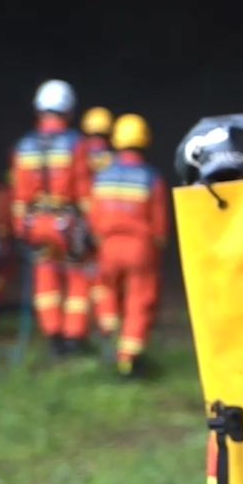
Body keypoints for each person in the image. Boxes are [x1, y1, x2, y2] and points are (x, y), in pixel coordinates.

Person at [12, 79, 96, 354]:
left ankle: (53, 336)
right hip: (67, 224)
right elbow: (84, 190)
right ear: (68, 111)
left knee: (45, 277)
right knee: (77, 276)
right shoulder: (76, 143)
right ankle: (74, 336)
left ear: (39, 110)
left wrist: (21, 229)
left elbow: (20, 194)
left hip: (35, 223)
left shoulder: (23, 146)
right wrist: (89, 227)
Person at [86, 113, 168, 376]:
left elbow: (94, 215)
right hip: (139, 247)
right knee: (139, 298)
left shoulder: (103, 176)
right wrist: (157, 247)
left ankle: (109, 333)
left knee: (108, 289)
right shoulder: (150, 177)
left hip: (108, 245)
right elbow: (159, 224)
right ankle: (128, 358)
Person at [81, 104, 117, 335]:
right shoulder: (113, 157)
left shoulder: (79, 151)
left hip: (82, 219)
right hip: (107, 219)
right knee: (105, 276)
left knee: (85, 273)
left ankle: (87, 323)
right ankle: (108, 324)